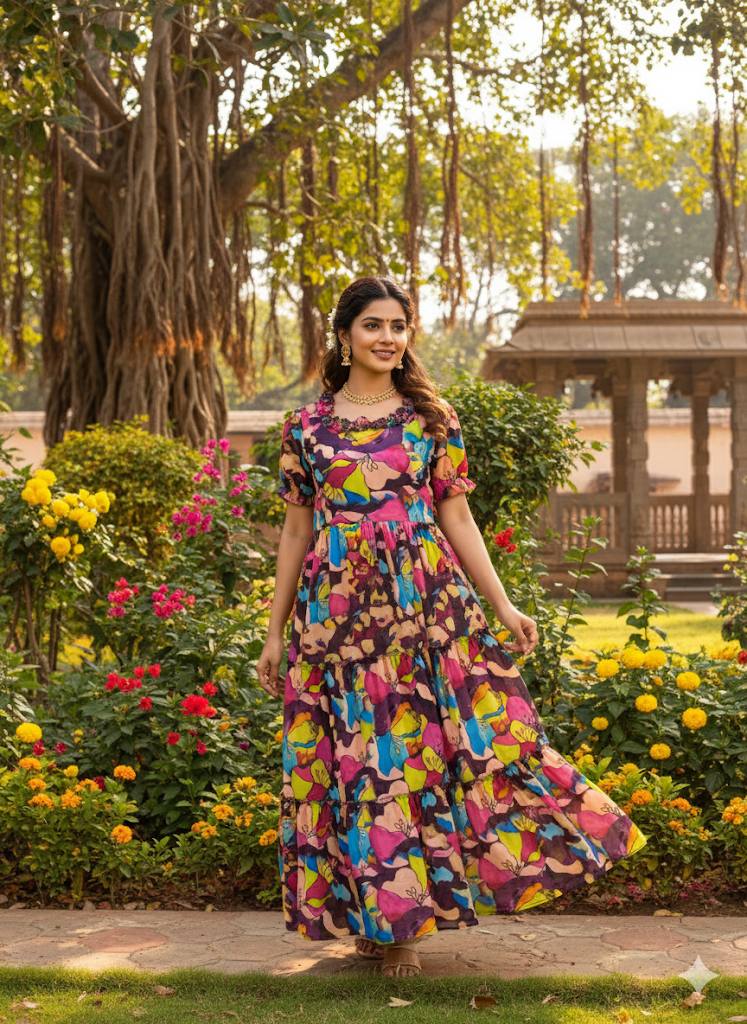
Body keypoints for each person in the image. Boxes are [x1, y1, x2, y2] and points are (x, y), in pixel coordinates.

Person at [256, 276, 648, 978]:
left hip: (424, 606)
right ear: (343, 335)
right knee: (353, 757)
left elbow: (456, 517)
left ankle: (404, 928)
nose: (387, 338)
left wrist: (502, 605)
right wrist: (275, 630)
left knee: (426, 751)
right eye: (373, 325)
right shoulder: (304, 427)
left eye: (398, 326)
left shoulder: (429, 419)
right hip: (336, 614)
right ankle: (376, 917)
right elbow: (294, 529)